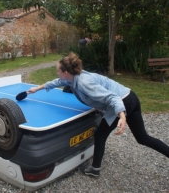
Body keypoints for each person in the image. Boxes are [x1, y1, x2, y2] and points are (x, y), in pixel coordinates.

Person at [27, 52, 169, 177]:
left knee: (100, 135)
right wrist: (37, 88)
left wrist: (122, 116)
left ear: (65, 72)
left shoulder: (83, 83)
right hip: (131, 96)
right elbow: (56, 82)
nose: (56, 73)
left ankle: (94, 170)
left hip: (122, 102)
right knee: (142, 138)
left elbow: (112, 98)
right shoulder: (72, 77)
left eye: (57, 70)